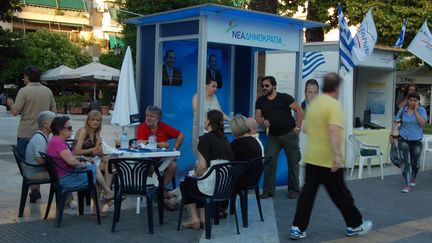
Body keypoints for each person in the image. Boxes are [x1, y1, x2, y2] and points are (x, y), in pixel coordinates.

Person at [290, 72, 372, 240]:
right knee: (341, 195)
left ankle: (297, 228)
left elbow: (305, 128)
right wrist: (336, 155)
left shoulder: (314, 105)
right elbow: (333, 130)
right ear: (336, 88)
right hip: (329, 160)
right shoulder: (333, 105)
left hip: (312, 159)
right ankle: (355, 224)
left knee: (307, 196)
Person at [46, 116, 114, 217]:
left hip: (61, 176)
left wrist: (82, 158)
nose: (71, 130)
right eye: (69, 128)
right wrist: (82, 164)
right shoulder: (59, 143)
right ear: (60, 130)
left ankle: (102, 202)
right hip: (66, 178)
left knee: (94, 172)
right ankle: (106, 196)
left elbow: (68, 156)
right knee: (94, 172)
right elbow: (72, 162)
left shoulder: (54, 141)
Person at [180, 109, 234, 230]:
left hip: (210, 187)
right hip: (224, 187)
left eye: (205, 119)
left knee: (186, 183)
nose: (204, 121)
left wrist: (195, 174)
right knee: (196, 183)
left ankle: (194, 219)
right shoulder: (225, 141)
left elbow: (202, 167)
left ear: (209, 122)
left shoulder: (204, 139)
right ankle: (203, 219)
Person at [255, 75, 303, 199]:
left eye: (267, 85)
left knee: (293, 163)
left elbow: (299, 109)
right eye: (263, 86)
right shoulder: (260, 101)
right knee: (269, 162)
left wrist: (298, 127)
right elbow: (258, 117)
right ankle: (268, 191)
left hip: (289, 135)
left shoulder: (284, 97)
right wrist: (263, 122)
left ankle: (294, 190)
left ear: (274, 86)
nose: (264, 88)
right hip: (273, 137)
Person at [7, 66, 57, 158]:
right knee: (40, 163)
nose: (23, 78)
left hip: (26, 133)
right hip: (43, 133)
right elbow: (54, 111)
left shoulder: (24, 91)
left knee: (25, 164)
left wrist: (10, 104)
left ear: (28, 77)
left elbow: (15, 112)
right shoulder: (48, 91)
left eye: (24, 76)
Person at [136, 105, 185, 188]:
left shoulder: (163, 126)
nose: (148, 118)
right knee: (149, 165)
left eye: (151, 116)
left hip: (160, 160)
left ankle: (159, 190)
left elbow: (181, 135)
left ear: (158, 119)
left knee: (173, 165)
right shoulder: (142, 126)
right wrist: (158, 144)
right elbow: (140, 142)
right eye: (147, 115)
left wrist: (174, 151)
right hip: (146, 160)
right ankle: (156, 190)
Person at [393, 92, 427, 193]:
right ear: (408, 100)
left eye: (415, 100)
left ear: (418, 102)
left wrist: (416, 110)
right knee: (405, 162)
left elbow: (423, 123)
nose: (412, 102)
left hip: (416, 140)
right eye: (411, 100)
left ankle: (414, 177)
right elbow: (396, 123)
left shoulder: (421, 110)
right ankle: (406, 184)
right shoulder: (403, 110)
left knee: (415, 163)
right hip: (403, 139)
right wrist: (392, 135)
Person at [73, 110, 113, 189]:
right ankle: (107, 191)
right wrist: (94, 149)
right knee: (108, 167)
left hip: (92, 158)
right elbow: (77, 151)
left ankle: (106, 191)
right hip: (81, 159)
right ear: (88, 121)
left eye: (98, 120)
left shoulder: (96, 133)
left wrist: (99, 148)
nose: (95, 122)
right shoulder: (83, 131)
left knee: (111, 161)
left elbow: (99, 153)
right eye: (93, 119)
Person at [192, 79, 229, 157]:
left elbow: (220, 112)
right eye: (213, 86)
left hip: (214, 130)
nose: (216, 89)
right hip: (201, 129)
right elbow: (196, 112)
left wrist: (231, 120)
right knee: (201, 155)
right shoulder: (197, 96)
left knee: (213, 154)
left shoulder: (215, 97)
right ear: (206, 86)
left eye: (216, 87)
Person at [24, 111, 55, 203]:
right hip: (34, 173)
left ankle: (35, 191)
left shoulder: (42, 136)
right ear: (45, 124)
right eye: (54, 121)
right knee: (62, 175)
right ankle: (66, 204)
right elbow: (40, 161)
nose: (57, 124)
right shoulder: (40, 139)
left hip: (33, 170)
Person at [230, 114, 263, 189]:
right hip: (254, 179)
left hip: (242, 181)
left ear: (235, 130)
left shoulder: (236, 144)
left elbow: (229, 163)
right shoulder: (255, 141)